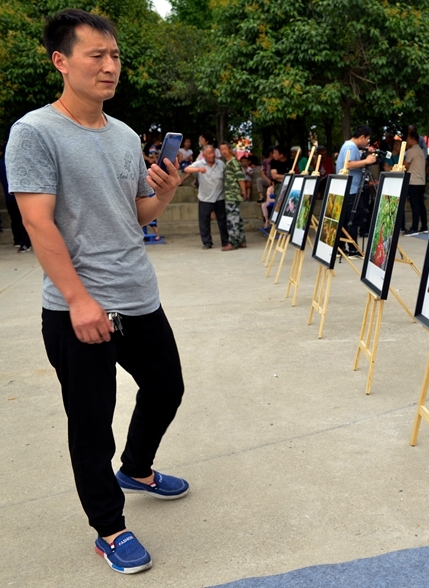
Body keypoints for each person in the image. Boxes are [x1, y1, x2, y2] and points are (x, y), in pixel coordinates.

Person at [5, 9, 187, 575]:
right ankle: (109, 528)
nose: (110, 67)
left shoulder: (127, 135)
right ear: (62, 61)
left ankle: (136, 467)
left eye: (115, 57)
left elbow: (138, 214)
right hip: (78, 307)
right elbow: (38, 222)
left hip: (137, 295)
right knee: (91, 419)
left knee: (166, 387)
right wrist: (79, 299)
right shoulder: (34, 132)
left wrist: (167, 191)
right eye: (96, 56)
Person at [337, 125, 377, 257]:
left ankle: (340, 247)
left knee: (346, 218)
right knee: (353, 218)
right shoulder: (351, 147)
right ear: (362, 137)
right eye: (367, 139)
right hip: (351, 189)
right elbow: (347, 164)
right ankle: (353, 249)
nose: (367, 142)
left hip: (349, 188)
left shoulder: (349, 145)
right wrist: (366, 160)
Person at [184, 145, 228, 249]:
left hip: (219, 197)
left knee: (222, 221)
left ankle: (225, 241)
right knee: (204, 222)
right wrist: (199, 170)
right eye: (209, 153)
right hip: (205, 198)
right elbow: (186, 169)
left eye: (213, 152)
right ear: (204, 155)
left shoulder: (221, 164)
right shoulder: (200, 164)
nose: (212, 155)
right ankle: (207, 243)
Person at [2, 150, 32, 252]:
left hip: (15, 196)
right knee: (19, 219)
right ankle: (21, 242)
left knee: (19, 219)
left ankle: (22, 242)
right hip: (16, 196)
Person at [219, 142, 246, 250]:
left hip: (233, 194)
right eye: (221, 150)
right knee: (237, 218)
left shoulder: (233, 162)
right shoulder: (227, 162)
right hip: (230, 194)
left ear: (230, 149)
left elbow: (240, 177)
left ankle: (233, 242)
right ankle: (241, 241)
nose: (223, 151)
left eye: (225, 149)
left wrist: (243, 191)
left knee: (232, 219)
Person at [403, 128, 427, 235]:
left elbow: (406, 165)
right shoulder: (421, 150)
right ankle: (424, 226)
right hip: (421, 180)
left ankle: (414, 227)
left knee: (415, 205)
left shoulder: (411, 151)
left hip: (413, 181)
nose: (407, 140)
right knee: (421, 204)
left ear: (412, 139)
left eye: (408, 138)